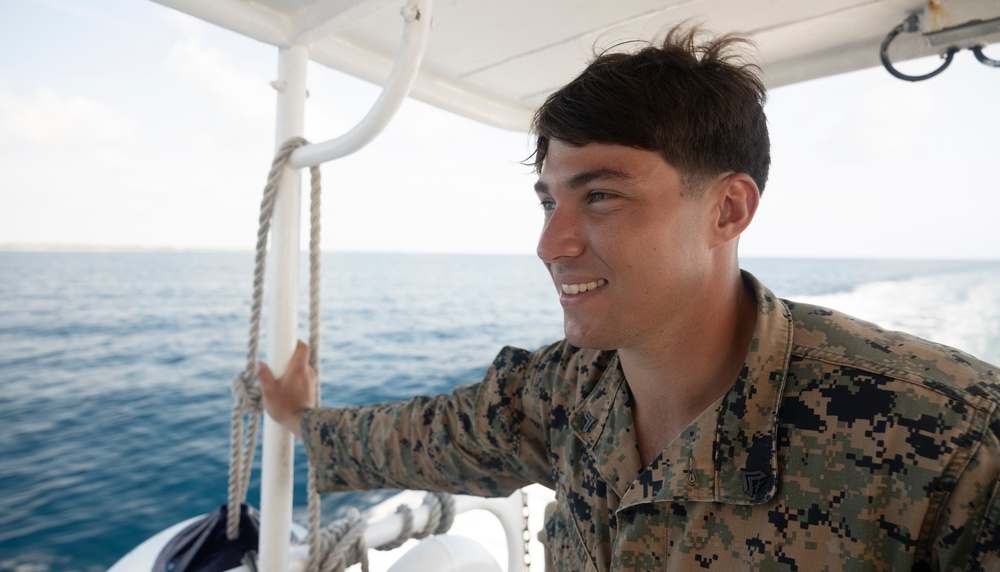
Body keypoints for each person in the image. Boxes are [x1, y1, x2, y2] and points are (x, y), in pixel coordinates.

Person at [259, 27, 1000, 571]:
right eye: (549, 200)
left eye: (603, 196)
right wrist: (300, 417)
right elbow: (431, 435)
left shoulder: (956, 447)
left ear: (727, 211)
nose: (552, 244)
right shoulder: (565, 392)